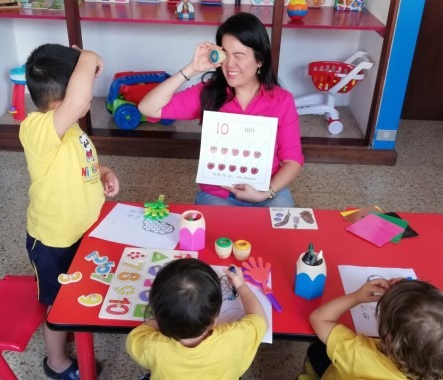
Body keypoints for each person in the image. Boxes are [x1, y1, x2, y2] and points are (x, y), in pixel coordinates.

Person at [21, 43, 120, 380]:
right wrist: (89, 54)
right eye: (84, 85)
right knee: (58, 303)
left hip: (82, 232)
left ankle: (81, 325)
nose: (87, 98)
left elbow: (80, 161)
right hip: (53, 242)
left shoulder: (69, 127)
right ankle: (56, 362)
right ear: (60, 101)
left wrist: (103, 171)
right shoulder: (35, 129)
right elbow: (78, 101)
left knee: (77, 289)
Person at [138, 12, 304, 207]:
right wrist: (191, 69)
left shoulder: (282, 100)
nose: (229, 64)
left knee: (280, 234)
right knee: (217, 236)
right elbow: (148, 108)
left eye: (239, 56)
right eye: (225, 54)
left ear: (260, 60)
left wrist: (266, 192)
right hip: (219, 195)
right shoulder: (209, 92)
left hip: (267, 189)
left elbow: (292, 160)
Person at [299, 278, 443, 380]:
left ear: (388, 337)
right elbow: (434, 318)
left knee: (317, 349)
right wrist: (407, 292)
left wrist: (356, 297)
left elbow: (319, 318)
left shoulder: (357, 352)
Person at [126, 258, 268, 380]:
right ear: (213, 320)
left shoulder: (150, 346)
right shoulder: (235, 337)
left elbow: (140, 333)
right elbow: (259, 318)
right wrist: (241, 285)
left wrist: (162, 316)